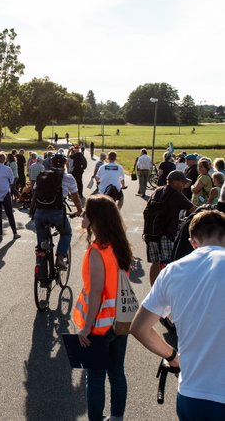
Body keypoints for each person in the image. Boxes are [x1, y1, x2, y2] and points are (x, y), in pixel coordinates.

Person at [131, 210, 225, 420]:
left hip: (192, 393)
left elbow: (139, 329)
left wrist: (173, 358)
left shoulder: (172, 271)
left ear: (193, 242)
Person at [73, 194, 133, 421]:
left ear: (95, 218)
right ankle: (117, 417)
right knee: (117, 373)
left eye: (86, 213)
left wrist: (86, 327)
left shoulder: (97, 251)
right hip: (120, 320)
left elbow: (96, 291)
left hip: (99, 324)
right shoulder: (120, 245)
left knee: (95, 377)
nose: (82, 215)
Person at [143, 170, 196, 285]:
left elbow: (146, 211)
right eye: (182, 182)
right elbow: (194, 210)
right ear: (174, 182)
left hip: (150, 233)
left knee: (155, 263)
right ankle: (167, 290)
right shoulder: (176, 194)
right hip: (166, 234)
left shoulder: (157, 190)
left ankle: (154, 289)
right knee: (170, 263)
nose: (184, 185)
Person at [34, 154, 83, 270]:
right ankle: (60, 258)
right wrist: (79, 210)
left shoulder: (43, 175)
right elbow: (75, 197)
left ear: (51, 163)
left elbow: (35, 191)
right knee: (66, 233)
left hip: (40, 212)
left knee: (41, 245)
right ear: (65, 164)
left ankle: (41, 274)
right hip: (57, 212)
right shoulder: (68, 177)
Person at [0, 152, 21, 241]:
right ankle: (15, 233)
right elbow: (11, 180)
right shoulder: (7, 169)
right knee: (9, 214)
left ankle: (0, 234)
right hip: (5, 192)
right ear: (5, 160)